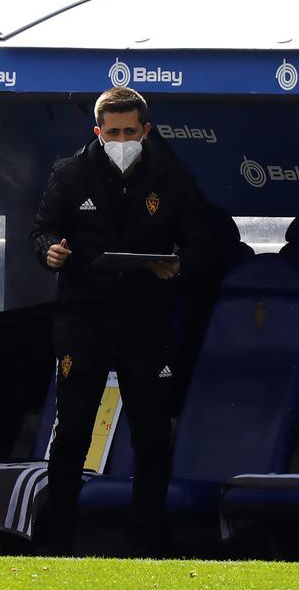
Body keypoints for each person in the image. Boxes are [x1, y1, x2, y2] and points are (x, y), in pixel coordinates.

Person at [28, 86, 212, 557]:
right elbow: (43, 230)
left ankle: (149, 540)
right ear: (98, 132)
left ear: (146, 131)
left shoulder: (172, 176)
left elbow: (201, 242)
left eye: (131, 131)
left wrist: (177, 264)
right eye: (114, 132)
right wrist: (50, 250)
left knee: (152, 431)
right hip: (83, 319)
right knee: (71, 431)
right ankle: (58, 538)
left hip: (145, 320)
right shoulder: (70, 174)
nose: (123, 138)